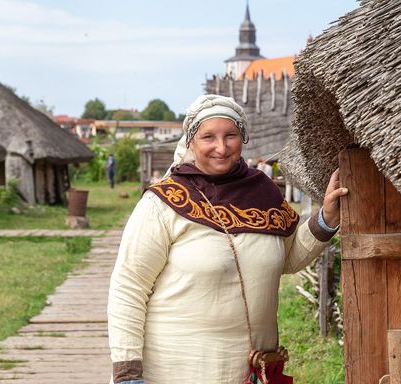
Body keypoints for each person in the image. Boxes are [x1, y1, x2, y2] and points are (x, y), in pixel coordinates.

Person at [107, 94, 348, 384]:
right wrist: (128, 373)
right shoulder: (163, 203)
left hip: (252, 370)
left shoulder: (263, 192)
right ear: (191, 141)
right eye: (209, 136)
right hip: (176, 371)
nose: (221, 147)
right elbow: (128, 287)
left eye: (230, 135)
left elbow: (288, 257)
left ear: (242, 137)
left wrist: (326, 218)